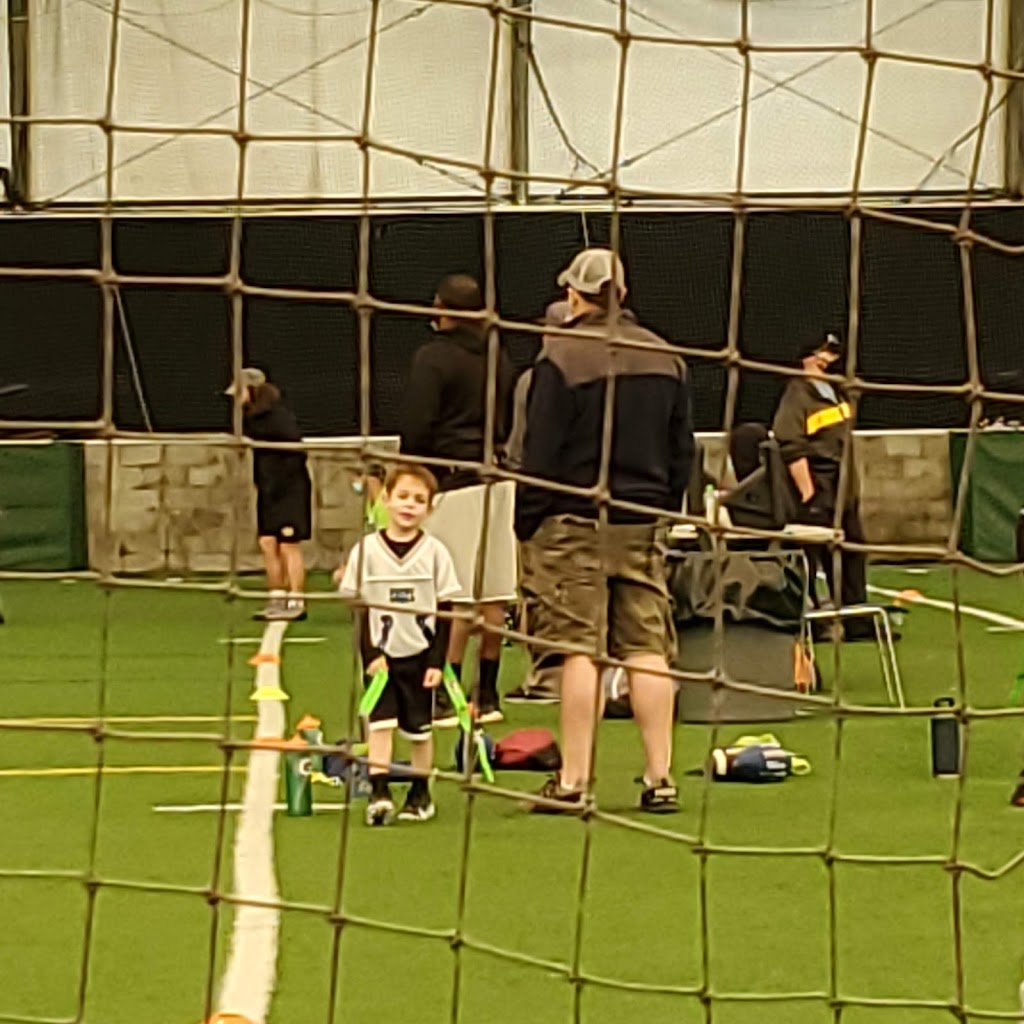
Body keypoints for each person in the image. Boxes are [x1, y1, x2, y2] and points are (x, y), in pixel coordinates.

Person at [516, 247, 694, 814]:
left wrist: (528, 519)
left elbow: (540, 450)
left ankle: (574, 780)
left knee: (579, 651)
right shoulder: (667, 358)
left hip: (574, 523)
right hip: (641, 522)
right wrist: (662, 508)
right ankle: (660, 778)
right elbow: (682, 451)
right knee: (647, 648)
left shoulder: (560, 357)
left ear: (574, 294)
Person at [401, 273, 517, 725]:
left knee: (453, 594)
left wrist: (410, 474)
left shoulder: (434, 357)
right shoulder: (498, 356)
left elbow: (417, 422)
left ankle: (443, 692)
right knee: (494, 592)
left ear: (442, 308)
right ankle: (487, 693)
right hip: (498, 480)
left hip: (452, 481)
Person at [334, 463, 461, 826]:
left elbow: (446, 610)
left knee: (420, 731)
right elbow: (360, 609)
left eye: (419, 500)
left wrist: (437, 661)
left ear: (430, 508)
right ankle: (379, 793)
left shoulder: (435, 553)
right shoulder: (367, 551)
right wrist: (371, 654)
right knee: (380, 725)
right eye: (402, 496)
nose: (409, 505)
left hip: (420, 657)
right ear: (386, 500)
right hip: (382, 661)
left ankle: (420, 793)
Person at [772, 332, 871, 634]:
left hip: (843, 491)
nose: (829, 359)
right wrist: (808, 491)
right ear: (808, 357)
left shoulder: (833, 390)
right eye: (823, 352)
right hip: (819, 491)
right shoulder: (797, 395)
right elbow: (791, 445)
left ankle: (857, 621)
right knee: (811, 560)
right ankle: (812, 624)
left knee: (852, 554)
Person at [226, 366, 311, 621]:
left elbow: (295, 448)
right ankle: (276, 597)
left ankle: (296, 600)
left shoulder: (278, 416)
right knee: (267, 543)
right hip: (268, 491)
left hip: (290, 490)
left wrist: (280, 482)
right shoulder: (250, 419)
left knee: (288, 546)